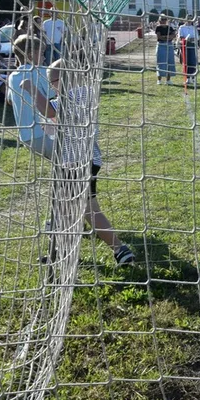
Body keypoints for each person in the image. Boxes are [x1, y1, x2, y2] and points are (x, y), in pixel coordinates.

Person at [47, 60, 136, 266]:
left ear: (65, 78)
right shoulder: (86, 92)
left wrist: (30, 89)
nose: (51, 86)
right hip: (85, 160)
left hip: (77, 162)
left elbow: (49, 111)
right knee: (67, 208)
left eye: (52, 81)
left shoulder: (75, 95)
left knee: (86, 209)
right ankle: (62, 254)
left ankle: (120, 249)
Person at [6, 35, 56, 159]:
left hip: (26, 137)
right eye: (42, 52)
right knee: (73, 162)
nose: (44, 56)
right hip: (44, 134)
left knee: (61, 166)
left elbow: (9, 100)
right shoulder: (41, 71)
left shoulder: (13, 76)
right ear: (30, 55)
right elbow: (58, 93)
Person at [177, 17, 199, 86]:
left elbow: (197, 37)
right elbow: (181, 36)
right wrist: (186, 39)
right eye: (188, 19)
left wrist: (192, 39)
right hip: (184, 45)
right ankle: (187, 78)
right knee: (186, 61)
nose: (189, 21)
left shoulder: (194, 28)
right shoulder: (182, 27)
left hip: (192, 45)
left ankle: (193, 77)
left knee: (192, 61)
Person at [154, 16, 175, 85]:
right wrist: (167, 37)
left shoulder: (170, 27)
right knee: (161, 62)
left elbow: (173, 35)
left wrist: (165, 37)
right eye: (162, 19)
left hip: (169, 45)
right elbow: (159, 37)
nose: (163, 21)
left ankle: (168, 80)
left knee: (170, 62)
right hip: (161, 45)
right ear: (159, 20)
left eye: (165, 19)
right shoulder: (158, 27)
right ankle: (159, 80)